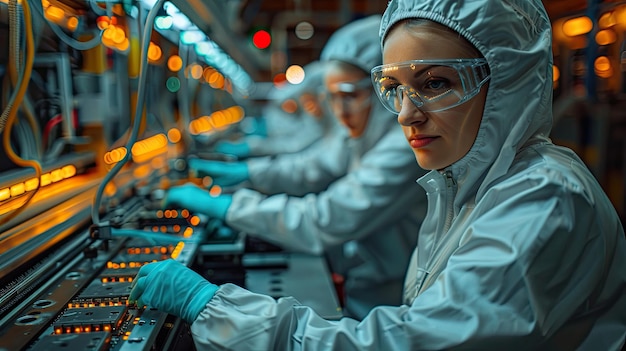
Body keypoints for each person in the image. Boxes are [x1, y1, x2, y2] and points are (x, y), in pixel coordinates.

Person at [130, 0, 626, 349]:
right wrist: (241, 174)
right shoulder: (465, 181)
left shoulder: (544, 200)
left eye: (435, 83)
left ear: (506, 84)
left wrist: (216, 307)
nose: (406, 114)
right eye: (394, 87)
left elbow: (410, 340)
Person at [160, 14, 428, 320]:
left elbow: (324, 218)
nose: (339, 112)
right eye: (331, 99)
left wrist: (230, 207)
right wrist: (249, 173)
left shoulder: (406, 146)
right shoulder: (362, 134)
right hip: (367, 277)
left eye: (350, 96)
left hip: (392, 296)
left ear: (385, 88)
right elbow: (309, 166)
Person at [213, 61, 337, 159]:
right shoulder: (322, 76)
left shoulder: (327, 127)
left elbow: (295, 145)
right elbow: (285, 94)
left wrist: (254, 147)